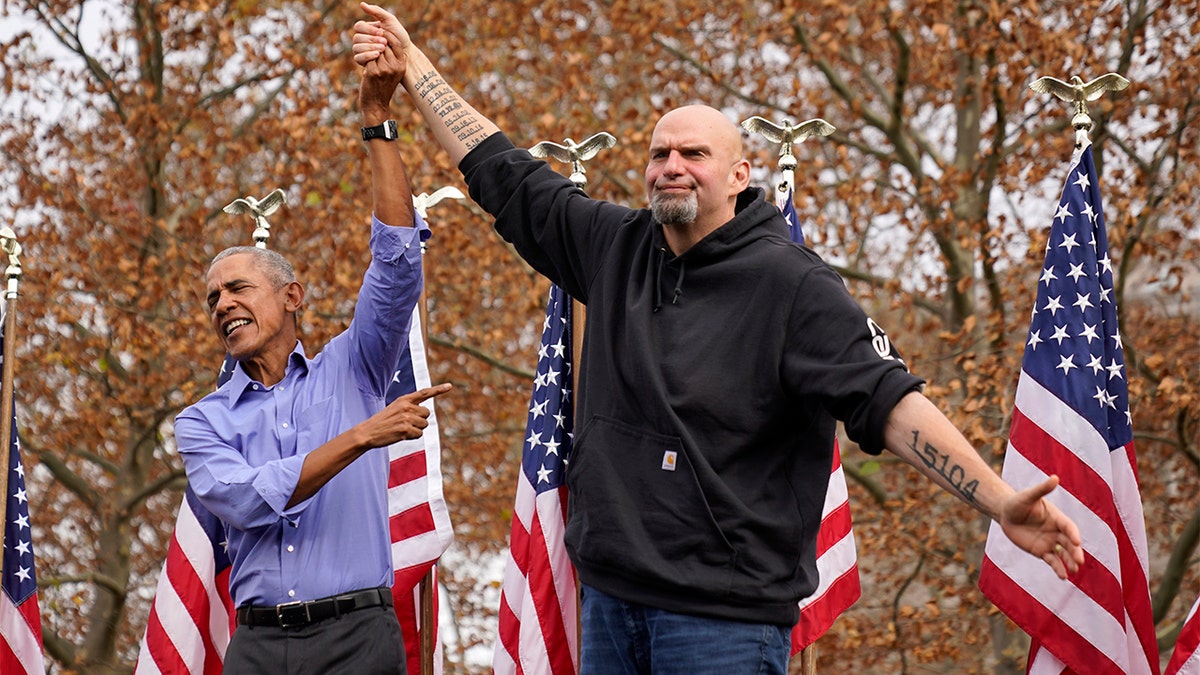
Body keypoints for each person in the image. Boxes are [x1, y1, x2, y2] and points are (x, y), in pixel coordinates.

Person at [352, 6, 1084, 673]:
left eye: (693, 154)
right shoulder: (614, 246)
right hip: (608, 605)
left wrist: (996, 499)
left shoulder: (792, 286)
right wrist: (413, 66)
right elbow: (501, 171)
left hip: (723, 626)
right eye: (659, 151)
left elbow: (889, 401)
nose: (671, 164)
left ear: (738, 175)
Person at [174, 34, 450, 675]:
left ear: (292, 296)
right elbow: (244, 502)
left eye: (238, 288)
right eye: (212, 297)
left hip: (359, 637)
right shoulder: (202, 422)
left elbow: (398, 261)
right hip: (258, 646)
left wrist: (377, 125)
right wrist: (361, 437)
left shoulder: (354, 365)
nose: (222, 304)